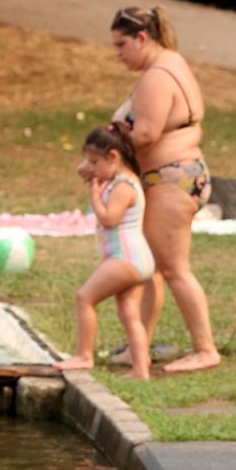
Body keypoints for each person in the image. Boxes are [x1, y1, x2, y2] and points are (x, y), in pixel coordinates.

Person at [108, 6, 221, 374]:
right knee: (152, 267)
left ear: (143, 38)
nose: (118, 54)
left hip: (173, 179)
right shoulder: (172, 62)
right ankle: (139, 344)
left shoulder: (157, 76)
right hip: (177, 176)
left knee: (173, 268)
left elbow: (145, 134)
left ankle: (205, 350)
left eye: (122, 44)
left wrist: (108, 145)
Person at [53, 126, 155, 381]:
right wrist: (90, 168)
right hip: (136, 259)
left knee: (84, 298)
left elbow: (109, 219)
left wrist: (95, 196)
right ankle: (141, 370)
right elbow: (82, 169)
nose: (89, 167)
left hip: (126, 258)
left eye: (94, 161)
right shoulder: (117, 178)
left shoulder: (123, 186)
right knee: (129, 312)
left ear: (113, 157)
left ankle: (84, 355)